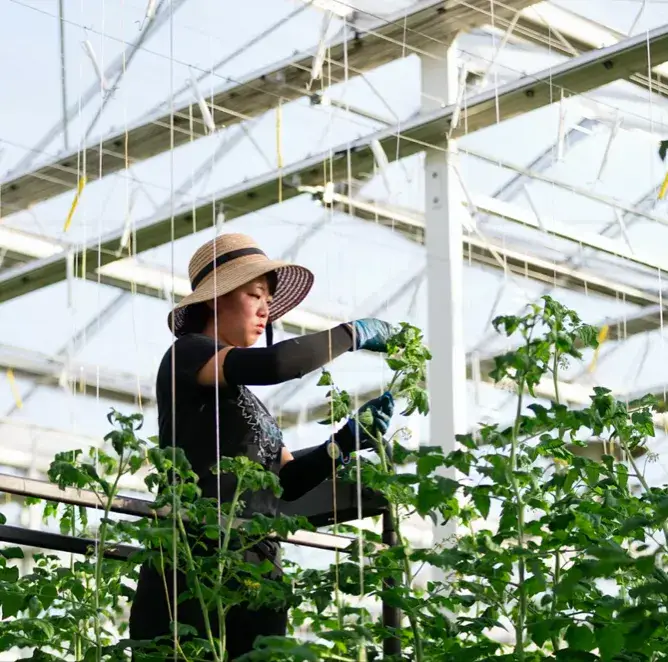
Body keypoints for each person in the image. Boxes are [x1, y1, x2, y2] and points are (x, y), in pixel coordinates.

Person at [129, 233, 396, 660]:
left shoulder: (247, 402)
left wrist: (343, 443)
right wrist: (352, 334)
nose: (264, 309)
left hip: (256, 569)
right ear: (215, 299)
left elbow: (288, 482)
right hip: (196, 557)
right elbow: (276, 364)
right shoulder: (188, 354)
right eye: (254, 294)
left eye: (268, 299)